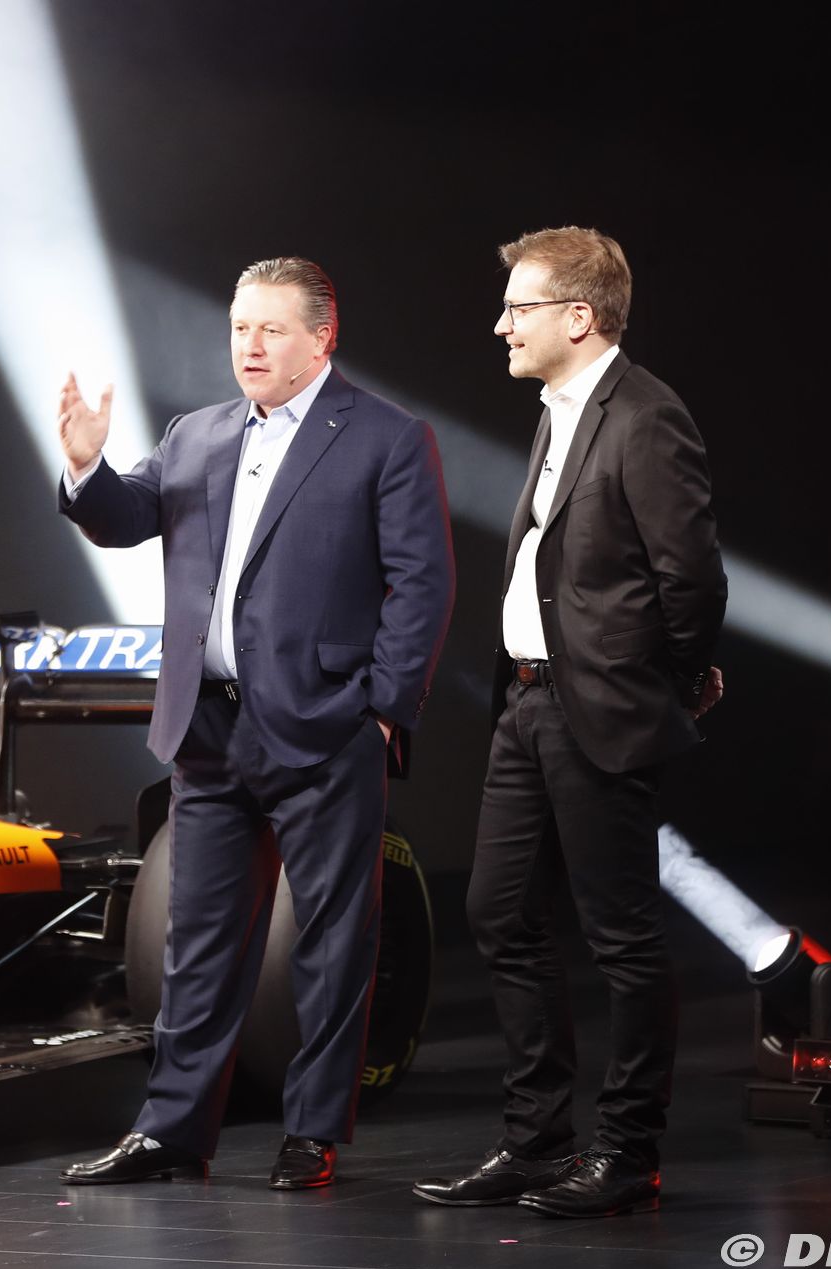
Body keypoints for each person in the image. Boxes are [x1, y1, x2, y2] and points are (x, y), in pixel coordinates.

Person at [56, 257, 455, 1189]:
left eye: (272, 329)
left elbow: (423, 586)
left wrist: (381, 712)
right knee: (196, 944)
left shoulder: (386, 437)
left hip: (326, 731)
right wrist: (85, 464)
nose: (250, 346)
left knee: (332, 942)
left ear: (322, 338)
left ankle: (311, 1132)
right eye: (240, 327)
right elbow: (124, 516)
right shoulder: (194, 433)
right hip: (210, 734)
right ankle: (172, 1132)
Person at [412, 227, 725, 1217]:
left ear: (579, 316)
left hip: (599, 706)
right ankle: (536, 1143)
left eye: (520, 307)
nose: (501, 324)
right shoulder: (559, 411)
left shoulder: (646, 416)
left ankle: (627, 1152)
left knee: (621, 936)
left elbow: (690, 578)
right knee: (499, 912)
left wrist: (665, 682)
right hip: (527, 703)